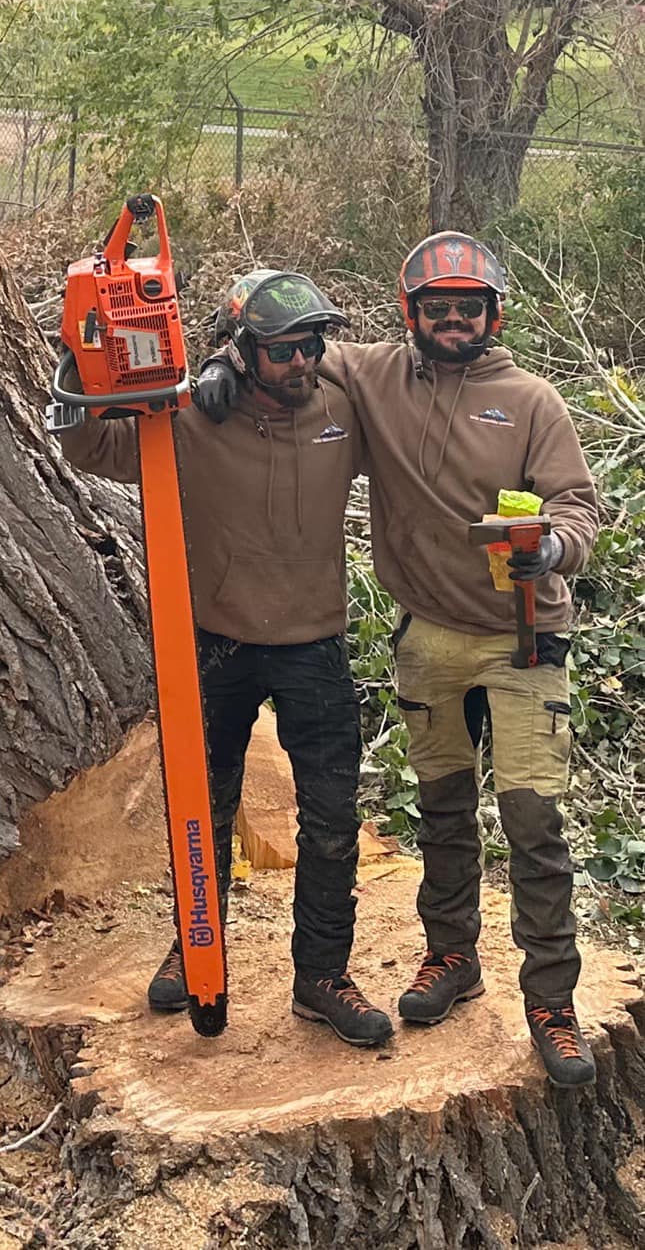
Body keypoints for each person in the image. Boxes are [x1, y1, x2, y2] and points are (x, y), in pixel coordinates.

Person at [203, 235, 599, 1087]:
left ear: (494, 314)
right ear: (409, 312)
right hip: (429, 639)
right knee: (443, 810)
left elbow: (575, 503)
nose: (452, 320)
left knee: (532, 823)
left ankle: (552, 1005)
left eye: (469, 307)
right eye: (436, 307)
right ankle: (451, 959)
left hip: (524, 638)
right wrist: (221, 368)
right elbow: (283, 332)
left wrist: (555, 545)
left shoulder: (530, 401)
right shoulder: (368, 374)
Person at [58, 269, 393, 1049]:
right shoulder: (185, 415)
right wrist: (87, 354)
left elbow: (398, 375)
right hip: (213, 643)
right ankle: (195, 946)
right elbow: (88, 443)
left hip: (314, 643)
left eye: (311, 343)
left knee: (332, 819)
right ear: (242, 351)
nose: (300, 361)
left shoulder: (343, 408)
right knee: (201, 809)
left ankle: (321, 975)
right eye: (280, 349)